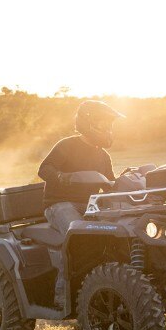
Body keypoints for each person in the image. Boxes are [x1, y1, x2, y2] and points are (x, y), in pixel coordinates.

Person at [37, 100, 123, 234]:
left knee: (117, 230)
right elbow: (44, 169)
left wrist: (124, 181)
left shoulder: (103, 156)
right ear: (87, 122)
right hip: (60, 205)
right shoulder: (67, 145)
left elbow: (109, 185)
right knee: (81, 233)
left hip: (90, 206)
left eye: (109, 125)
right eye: (103, 124)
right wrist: (63, 177)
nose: (107, 129)